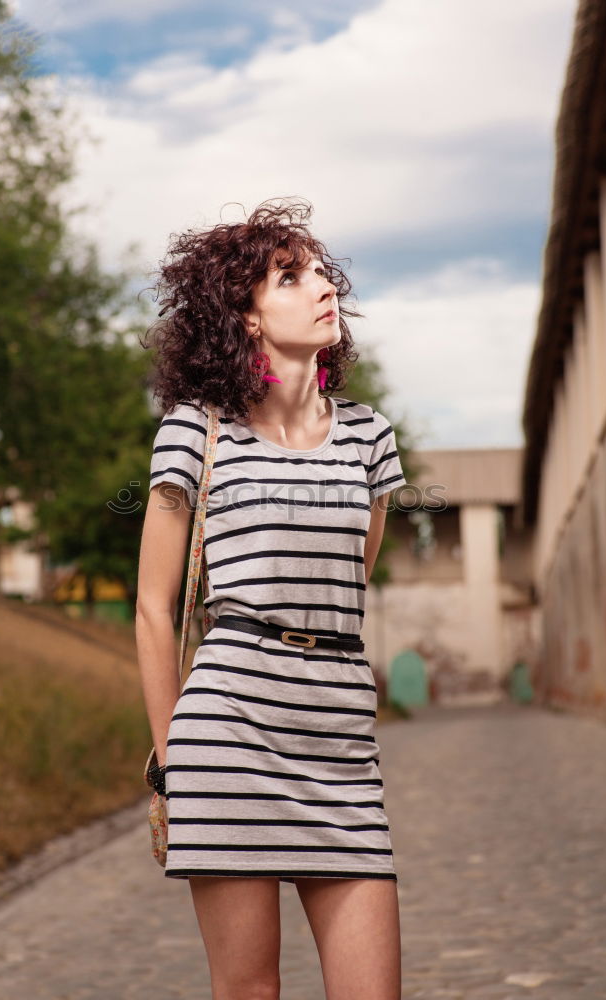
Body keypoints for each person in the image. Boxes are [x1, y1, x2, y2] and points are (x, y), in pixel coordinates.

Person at [136, 198, 406, 1000]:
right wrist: (171, 760)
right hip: (228, 735)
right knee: (249, 990)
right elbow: (154, 608)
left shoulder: (369, 438)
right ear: (246, 318)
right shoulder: (199, 430)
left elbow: (348, 585)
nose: (322, 286)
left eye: (321, 271)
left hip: (340, 742)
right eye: (289, 277)